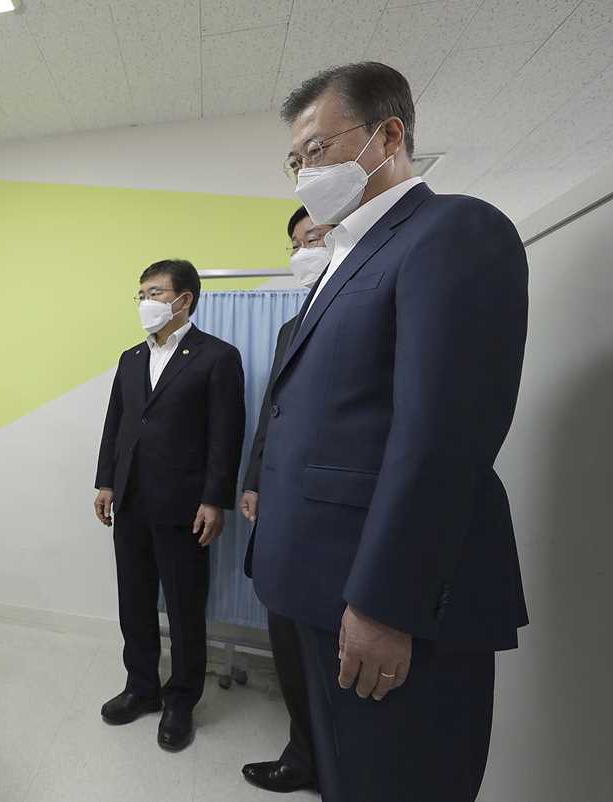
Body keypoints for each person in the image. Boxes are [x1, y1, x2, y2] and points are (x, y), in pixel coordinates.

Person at [251, 62, 529, 802]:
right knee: (348, 778)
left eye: (317, 149)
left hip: (388, 598)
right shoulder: (341, 262)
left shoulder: (452, 230)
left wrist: (385, 602)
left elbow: (443, 435)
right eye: (295, 160)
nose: (305, 172)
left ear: (389, 135)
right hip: (319, 584)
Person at [94, 259, 246, 753]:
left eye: (155, 293)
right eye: (141, 294)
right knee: (134, 601)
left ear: (185, 299)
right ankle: (141, 687)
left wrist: (214, 500)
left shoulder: (217, 357)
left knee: (184, 608)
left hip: (184, 505)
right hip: (130, 500)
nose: (146, 303)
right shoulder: (131, 357)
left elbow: (226, 435)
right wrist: (105, 482)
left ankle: (181, 700)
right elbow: (116, 424)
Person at [238, 206, 331, 795]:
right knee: (289, 639)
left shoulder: (373, 303)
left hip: (333, 517)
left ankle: (334, 762)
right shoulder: (290, 328)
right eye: (296, 244)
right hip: (281, 512)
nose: (304, 251)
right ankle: (304, 753)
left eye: (314, 238)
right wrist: (253, 480)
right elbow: (271, 416)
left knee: (330, 652)